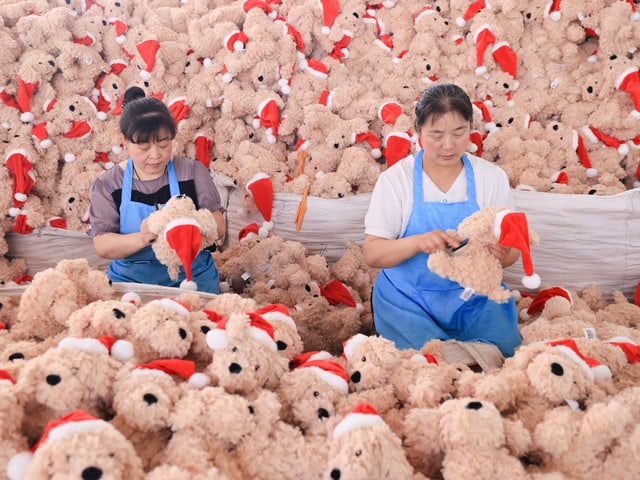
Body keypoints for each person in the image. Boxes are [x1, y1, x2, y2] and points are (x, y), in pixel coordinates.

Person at [363, 83, 521, 359]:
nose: (448, 145)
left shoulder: (490, 178)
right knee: (423, 364)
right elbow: (372, 252)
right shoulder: (396, 180)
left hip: (473, 296)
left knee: (504, 353)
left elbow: (513, 250)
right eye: (436, 135)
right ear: (418, 133)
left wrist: (504, 255)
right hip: (407, 300)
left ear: (471, 129)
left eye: (459, 133)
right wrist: (417, 242)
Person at [88, 86, 226, 293]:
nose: (155, 155)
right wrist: (142, 238)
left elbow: (219, 226)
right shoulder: (108, 185)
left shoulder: (192, 172)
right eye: (143, 147)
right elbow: (102, 245)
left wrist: (189, 223)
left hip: (192, 278)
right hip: (132, 282)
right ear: (124, 141)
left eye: (163, 144)